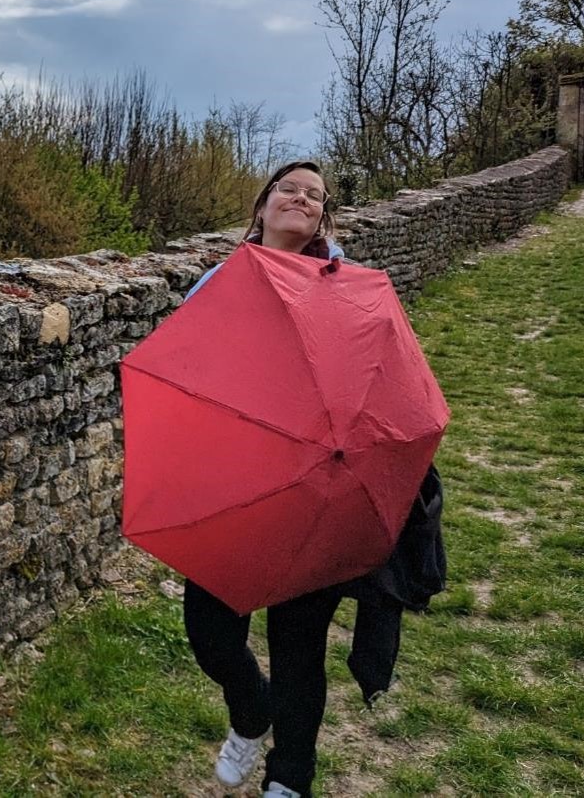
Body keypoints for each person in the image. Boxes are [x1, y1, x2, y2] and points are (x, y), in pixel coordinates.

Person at [176, 160, 444, 798]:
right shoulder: (218, 282)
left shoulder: (349, 290)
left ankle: (289, 778)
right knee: (211, 635)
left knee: (298, 647)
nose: (300, 198)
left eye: (314, 195)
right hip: (238, 483)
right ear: (263, 205)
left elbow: (387, 378)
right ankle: (251, 710)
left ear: (324, 217)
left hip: (319, 485)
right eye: (289, 188)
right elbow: (185, 370)